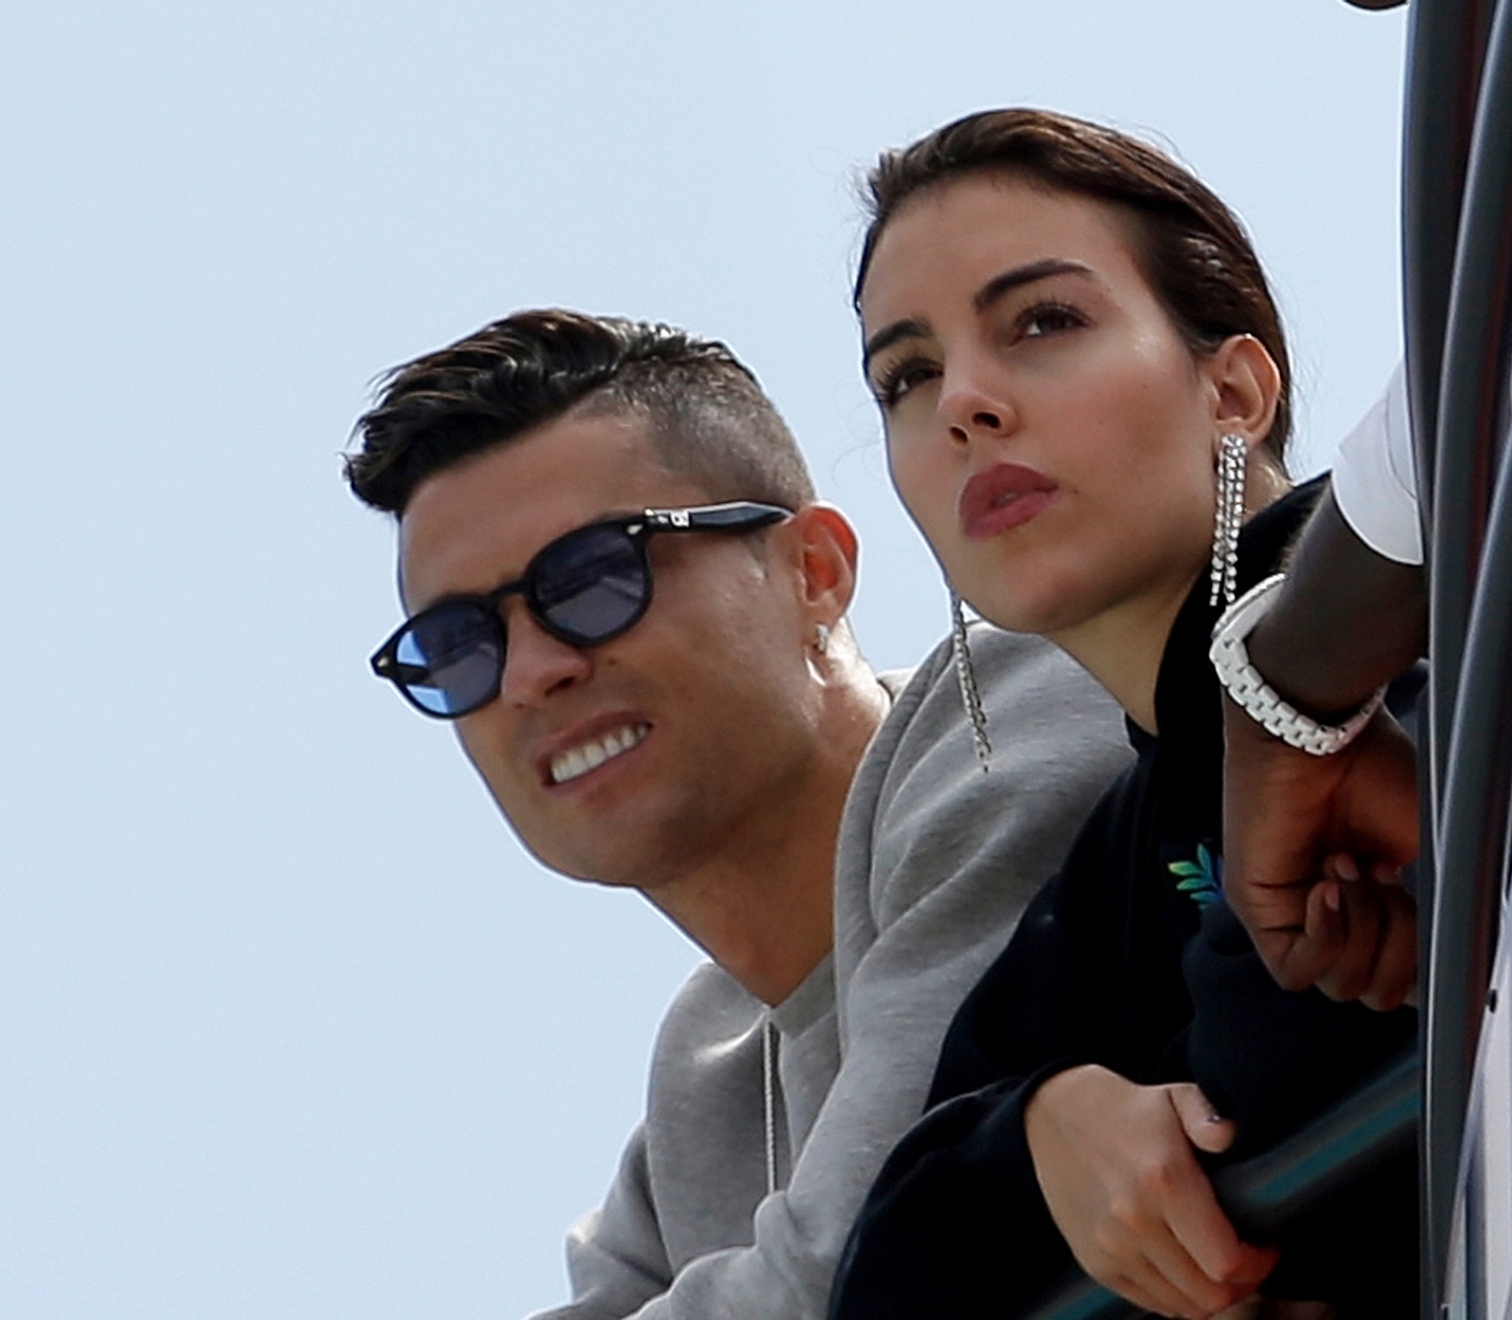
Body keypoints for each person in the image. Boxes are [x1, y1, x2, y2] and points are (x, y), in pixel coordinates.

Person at [344, 310, 1131, 1320]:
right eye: (458, 645)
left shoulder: (1009, 711)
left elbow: (869, 1252)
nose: (533, 672)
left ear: (814, 572)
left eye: (591, 578)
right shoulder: (704, 1077)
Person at [830, 110, 1418, 1320]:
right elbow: (881, 1280)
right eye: (909, 375)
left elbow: (1281, 1069)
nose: (965, 406)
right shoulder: (1110, 860)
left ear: (1234, 386)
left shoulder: (1422, 604)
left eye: (1042, 322)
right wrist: (1039, 1129)